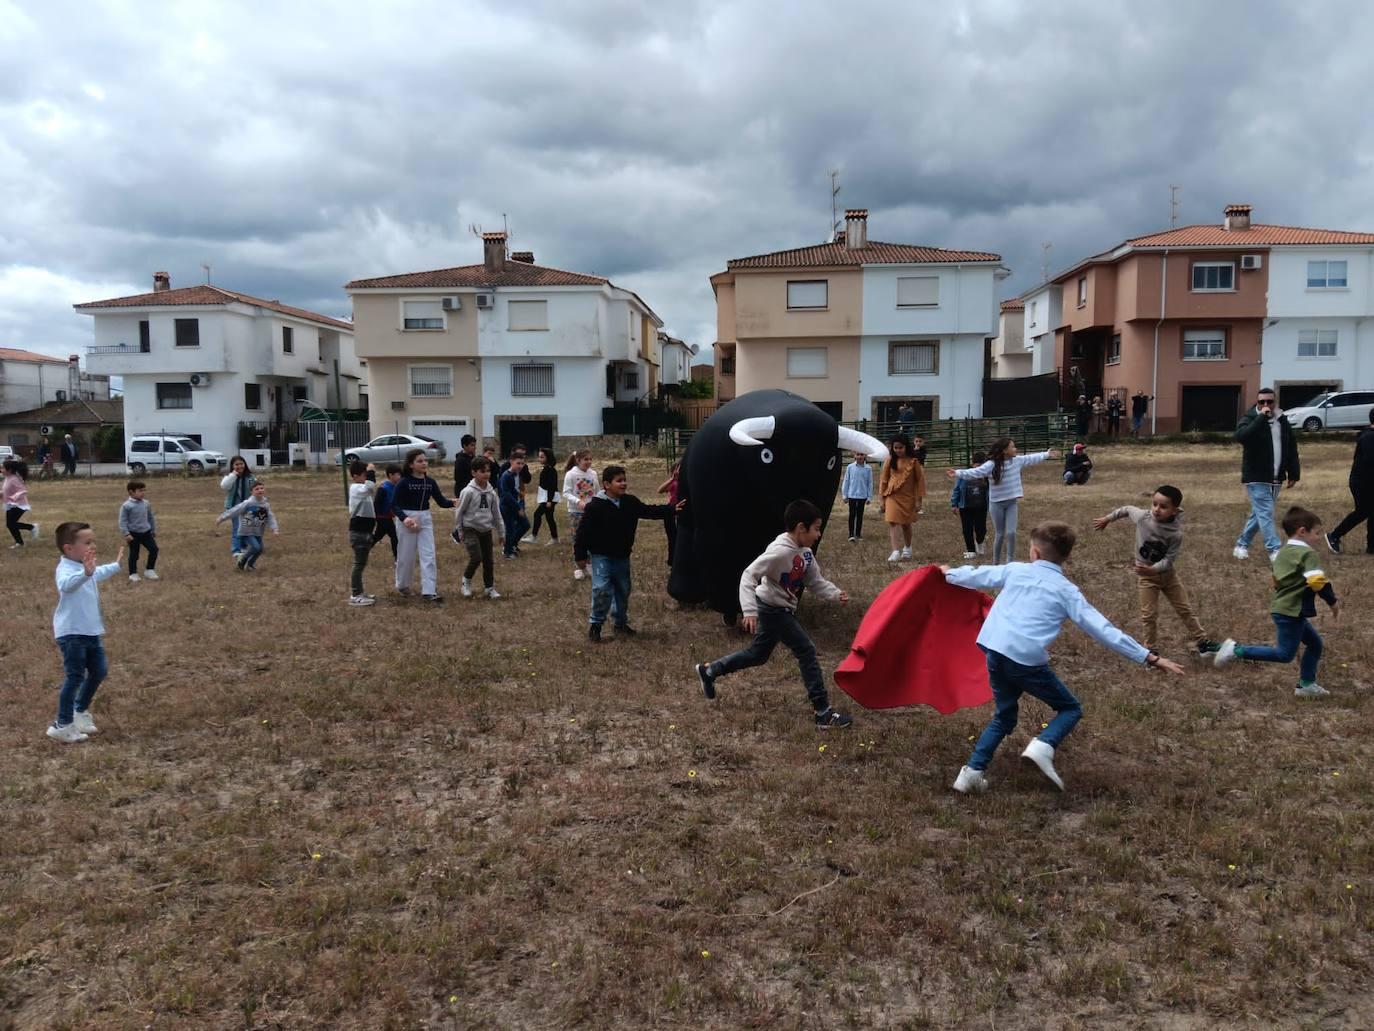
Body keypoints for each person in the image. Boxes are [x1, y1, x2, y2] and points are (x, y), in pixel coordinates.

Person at [943, 522, 1185, 794]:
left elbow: (980, 575)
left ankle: (972, 773)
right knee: (1070, 709)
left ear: (1033, 552)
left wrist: (949, 574)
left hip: (994, 651)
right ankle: (1043, 745)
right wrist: (1148, 657)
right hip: (1024, 660)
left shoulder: (1016, 570)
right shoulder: (1067, 591)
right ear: (1067, 556)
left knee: (1005, 716)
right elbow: (1103, 629)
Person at [695, 498, 853, 729]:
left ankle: (710, 671)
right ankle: (823, 712)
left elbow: (814, 581)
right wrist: (749, 610)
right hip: (772, 609)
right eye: (816, 529)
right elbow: (749, 575)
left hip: (782, 608)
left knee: (758, 654)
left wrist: (835, 593)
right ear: (801, 528)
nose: (818, 534)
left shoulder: (806, 553)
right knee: (806, 650)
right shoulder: (779, 553)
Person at [1215, 507, 1340, 697]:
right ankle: (1236, 650)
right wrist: (1333, 603)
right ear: (1302, 531)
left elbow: (1276, 579)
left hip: (1283, 608)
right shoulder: (1307, 554)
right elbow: (1316, 581)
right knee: (1284, 654)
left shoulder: (1283, 551)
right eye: (1317, 533)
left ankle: (1306, 685)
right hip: (1291, 612)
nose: (1318, 538)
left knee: (1315, 644)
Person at [1093, 485, 1222, 657]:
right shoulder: (1142, 518)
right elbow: (1126, 509)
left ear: (1174, 510)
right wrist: (1108, 518)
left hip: (1168, 577)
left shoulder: (1175, 534)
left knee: (1184, 609)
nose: (1156, 509)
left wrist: (1153, 569)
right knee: (1149, 615)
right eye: (1154, 504)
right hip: (1146, 579)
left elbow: (1169, 560)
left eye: (1163, 506)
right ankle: (1150, 649)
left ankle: (1203, 642)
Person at [573, 464, 679, 641]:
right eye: (618, 481)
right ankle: (596, 625)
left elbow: (648, 510)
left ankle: (620, 624)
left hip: (622, 556)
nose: (623, 484)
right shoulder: (595, 507)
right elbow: (583, 533)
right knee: (602, 589)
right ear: (607, 484)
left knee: (623, 589)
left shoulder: (630, 502)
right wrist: (580, 555)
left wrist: (672, 509)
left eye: (624, 480)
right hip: (601, 556)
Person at [45, 521, 125, 743]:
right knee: (75, 677)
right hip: (72, 634)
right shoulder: (66, 569)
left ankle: (78, 713)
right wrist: (86, 574)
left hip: (90, 632)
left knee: (99, 670)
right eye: (87, 542)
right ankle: (62, 724)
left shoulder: (85, 567)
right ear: (69, 548)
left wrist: (115, 566)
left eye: (93, 541)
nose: (93, 545)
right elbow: (67, 585)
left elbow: (96, 573)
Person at [947, 437, 1055, 564]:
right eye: (1012, 447)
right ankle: (996, 562)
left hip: (1011, 503)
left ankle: (1010, 561)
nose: (1015, 449)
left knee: (1011, 533)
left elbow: (1031, 458)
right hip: (996, 504)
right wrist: (958, 473)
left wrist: (1046, 454)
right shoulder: (991, 465)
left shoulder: (1017, 461)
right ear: (1004, 450)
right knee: (1000, 534)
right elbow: (976, 472)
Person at [1232, 387, 1300, 563]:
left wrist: (1293, 472)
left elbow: (1291, 447)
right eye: (1262, 402)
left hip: (1276, 477)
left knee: (1260, 514)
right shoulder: (1250, 419)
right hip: (1256, 476)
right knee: (1266, 512)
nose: (1266, 405)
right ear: (1257, 402)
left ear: (1275, 401)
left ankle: (1241, 544)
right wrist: (1261, 417)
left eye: (1269, 401)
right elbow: (1241, 436)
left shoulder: (1281, 420)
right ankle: (1275, 550)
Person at [391, 449, 452, 601]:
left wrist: (454, 503)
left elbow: (441, 502)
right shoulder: (403, 482)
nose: (424, 463)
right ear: (411, 464)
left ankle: (429, 591)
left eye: (425, 460)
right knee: (406, 555)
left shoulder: (430, 482)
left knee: (429, 554)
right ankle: (403, 585)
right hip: (407, 518)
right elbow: (394, 505)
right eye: (419, 461)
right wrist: (404, 518)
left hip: (425, 518)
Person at [1325, 407, 1374, 555]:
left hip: (1367, 481)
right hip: (1362, 482)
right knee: (1363, 511)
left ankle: (1372, 547)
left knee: (1371, 512)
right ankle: (1334, 535)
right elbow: (1370, 460)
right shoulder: (1370, 438)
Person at [454, 456, 503, 599]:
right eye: (482, 471)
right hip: (470, 529)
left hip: (486, 530)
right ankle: (466, 582)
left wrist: (501, 533)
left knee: (488, 560)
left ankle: (489, 588)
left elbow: (496, 514)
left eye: (488, 471)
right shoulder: (468, 492)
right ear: (474, 473)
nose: (486, 474)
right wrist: (459, 530)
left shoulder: (492, 492)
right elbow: (459, 511)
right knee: (476, 557)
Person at [879, 435, 924, 563]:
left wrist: (919, 500)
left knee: (906, 524)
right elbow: (883, 480)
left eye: (901, 448)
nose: (898, 450)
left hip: (908, 497)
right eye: (896, 448)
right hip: (892, 495)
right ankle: (895, 551)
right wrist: (881, 499)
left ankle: (908, 548)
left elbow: (919, 480)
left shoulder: (913, 461)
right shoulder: (890, 460)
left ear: (906, 447)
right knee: (892, 521)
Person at [216, 481, 279, 570]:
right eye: (257, 489)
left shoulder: (265, 504)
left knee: (260, 549)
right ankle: (242, 560)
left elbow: (270, 517)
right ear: (252, 492)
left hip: (258, 532)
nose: (260, 490)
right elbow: (235, 510)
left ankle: (250, 564)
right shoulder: (248, 503)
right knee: (256, 547)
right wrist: (222, 518)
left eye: (261, 488)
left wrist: (274, 529)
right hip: (246, 532)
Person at [563, 450, 599, 580]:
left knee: (592, 538)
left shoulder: (593, 474)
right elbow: (566, 493)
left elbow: (597, 492)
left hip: (591, 512)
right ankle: (579, 567)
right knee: (578, 539)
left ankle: (589, 564)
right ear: (578, 460)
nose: (588, 462)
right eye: (585, 459)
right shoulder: (571, 474)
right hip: (575, 512)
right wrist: (578, 501)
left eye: (590, 459)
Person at [346, 461, 378, 606]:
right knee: (358, 564)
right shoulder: (355, 488)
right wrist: (371, 471)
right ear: (355, 476)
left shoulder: (363, 488)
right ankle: (355, 594)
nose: (367, 478)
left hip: (365, 531)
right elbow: (370, 486)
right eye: (365, 475)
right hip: (358, 532)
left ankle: (359, 591)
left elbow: (371, 488)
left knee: (361, 563)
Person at [949, 449, 989, 559]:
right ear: (972, 464)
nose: (979, 469)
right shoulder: (964, 475)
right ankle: (970, 550)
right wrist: (954, 504)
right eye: (977, 465)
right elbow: (956, 490)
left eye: (982, 466)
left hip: (981, 507)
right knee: (967, 529)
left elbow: (992, 490)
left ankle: (980, 542)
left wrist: (985, 480)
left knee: (981, 529)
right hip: (965, 507)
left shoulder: (987, 476)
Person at [118, 480, 159, 581]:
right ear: (131, 492)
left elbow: (150, 517)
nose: (143, 493)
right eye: (140, 491)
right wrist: (126, 534)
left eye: (144, 490)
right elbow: (122, 521)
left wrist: (153, 529)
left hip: (146, 532)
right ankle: (133, 573)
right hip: (133, 534)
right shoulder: (126, 506)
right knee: (134, 554)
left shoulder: (146, 503)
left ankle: (149, 570)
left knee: (154, 549)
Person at [220, 456, 257, 558]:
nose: (239, 466)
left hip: (247, 506)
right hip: (234, 506)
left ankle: (244, 546)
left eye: (241, 464)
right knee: (237, 527)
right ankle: (236, 550)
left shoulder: (250, 477)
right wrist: (233, 475)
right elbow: (224, 486)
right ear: (232, 466)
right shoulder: (229, 477)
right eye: (236, 464)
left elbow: (255, 489)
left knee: (247, 527)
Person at [498, 452, 531, 558]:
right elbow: (506, 494)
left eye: (522, 464)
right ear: (511, 462)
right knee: (510, 528)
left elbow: (517, 491)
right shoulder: (506, 476)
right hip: (507, 507)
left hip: (516, 505)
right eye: (518, 463)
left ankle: (511, 544)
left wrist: (520, 502)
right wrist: (518, 508)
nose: (520, 466)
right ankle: (507, 552)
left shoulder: (517, 474)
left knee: (525, 524)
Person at [3, 458, 38, 548]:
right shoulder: (8, 478)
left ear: (9, 470)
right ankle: (19, 542)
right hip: (10, 505)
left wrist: (14, 497)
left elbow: (22, 490)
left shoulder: (14, 479)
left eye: (3, 468)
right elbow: (6, 491)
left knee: (11, 524)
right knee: (10, 525)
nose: (1, 470)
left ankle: (32, 527)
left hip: (19, 505)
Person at [371, 464, 402, 559]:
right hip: (382, 517)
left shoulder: (395, 487)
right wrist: (377, 517)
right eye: (398, 475)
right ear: (391, 475)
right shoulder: (383, 488)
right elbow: (376, 503)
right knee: (380, 536)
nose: (400, 477)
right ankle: (363, 548)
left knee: (392, 536)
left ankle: (397, 557)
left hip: (388, 517)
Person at [531, 447, 560, 546]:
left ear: (548, 457)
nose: (540, 459)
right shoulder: (546, 469)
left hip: (549, 498)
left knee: (537, 514)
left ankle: (534, 536)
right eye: (539, 457)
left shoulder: (550, 470)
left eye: (542, 457)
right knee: (549, 517)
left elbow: (552, 486)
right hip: (547, 497)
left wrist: (549, 500)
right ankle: (555, 538)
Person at [841, 450, 873, 541]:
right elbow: (846, 481)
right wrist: (844, 495)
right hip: (852, 495)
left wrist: (869, 497)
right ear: (854, 456)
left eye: (861, 454)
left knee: (860, 515)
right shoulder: (850, 467)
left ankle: (858, 534)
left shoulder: (868, 468)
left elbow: (869, 483)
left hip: (862, 496)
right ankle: (851, 534)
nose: (859, 457)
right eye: (857, 454)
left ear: (865, 456)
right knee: (852, 514)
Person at [657, 460, 682, 565]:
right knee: (673, 538)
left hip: (682, 511)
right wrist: (672, 479)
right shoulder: (673, 483)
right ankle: (673, 561)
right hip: (671, 511)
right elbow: (660, 490)